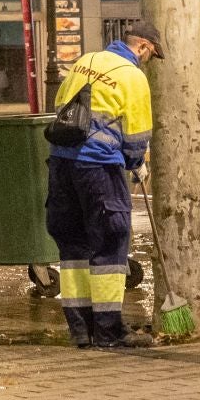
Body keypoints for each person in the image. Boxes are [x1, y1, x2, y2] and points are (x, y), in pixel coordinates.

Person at [48, 22, 161, 349]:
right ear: (142, 47)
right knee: (111, 245)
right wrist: (136, 163)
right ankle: (110, 332)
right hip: (98, 170)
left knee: (73, 248)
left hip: (61, 166)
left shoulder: (85, 61)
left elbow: (61, 107)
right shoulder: (132, 76)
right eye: (151, 56)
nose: (148, 63)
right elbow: (138, 135)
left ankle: (80, 330)